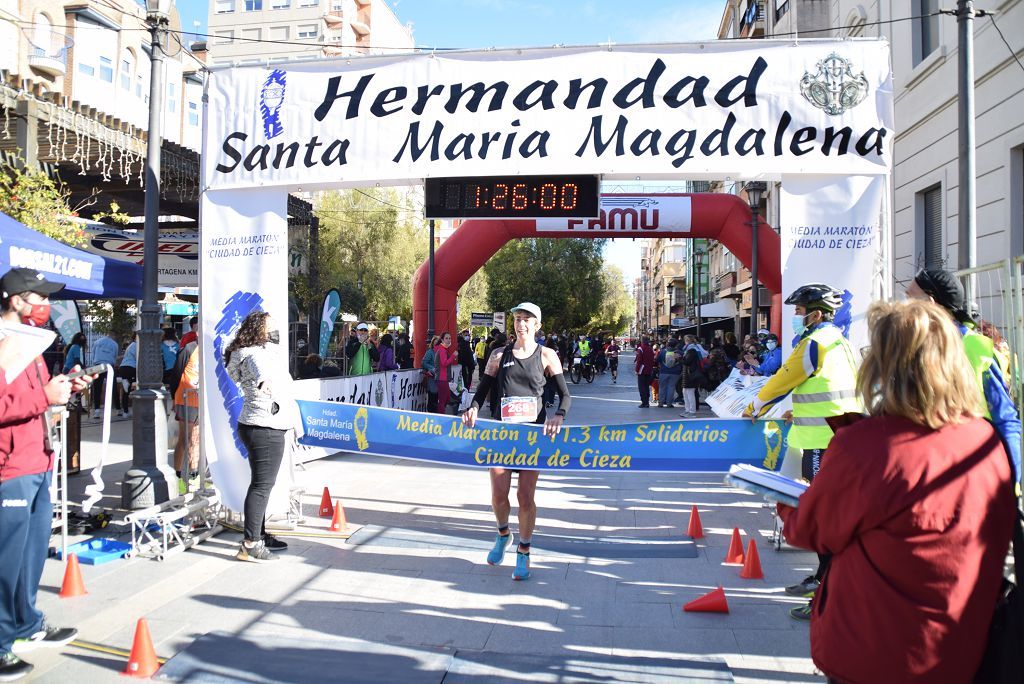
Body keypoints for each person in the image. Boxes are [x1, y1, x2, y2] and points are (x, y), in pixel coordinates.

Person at [777, 300, 1015, 683]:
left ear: (885, 367)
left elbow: (810, 529)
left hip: (873, 651)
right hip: (962, 650)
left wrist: (790, 500)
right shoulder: (986, 442)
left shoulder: (866, 446)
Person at [743, 283, 861, 620]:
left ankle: (828, 592)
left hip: (821, 441)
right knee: (823, 511)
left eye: (799, 311)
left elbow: (783, 379)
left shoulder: (814, 343)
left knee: (824, 516)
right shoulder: (842, 343)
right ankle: (822, 579)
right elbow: (831, 389)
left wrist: (753, 407)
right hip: (833, 436)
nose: (795, 317)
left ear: (816, 313)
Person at [0, 268, 94, 681]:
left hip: (37, 460)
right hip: (10, 467)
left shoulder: (31, 343)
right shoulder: (5, 342)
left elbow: (31, 398)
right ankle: (2, 643)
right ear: (16, 299)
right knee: (7, 559)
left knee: (32, 552)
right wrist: (44, 396)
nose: (46, 305)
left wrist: (63, 388)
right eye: (38, 297)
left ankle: (26, 622)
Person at [462, 302, 571, 581]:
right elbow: (482, 389)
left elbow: (565, 395)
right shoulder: (499, 354)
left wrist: (559, 415)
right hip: (502, 435)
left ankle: (524, 551)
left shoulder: (547, 355)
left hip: (532, 438)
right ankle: (502, 535)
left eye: (526, 319)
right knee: (498, 494)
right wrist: (473, 407)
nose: (520, 323)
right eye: (517, 319)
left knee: (525, 497)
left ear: (537, 325)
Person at [906, 267, 1022, 482]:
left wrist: (1012, 483)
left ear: (930, 304)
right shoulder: (907, 348)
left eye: (910, 297)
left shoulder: (976, 348)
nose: (903, 306)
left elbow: (1006, 419)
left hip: (972, 469)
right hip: (927, 470)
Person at [224, 310, 294, 562]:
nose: (276, 331)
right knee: (262, 486)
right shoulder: (255, 354)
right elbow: (260, 369)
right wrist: (265, 381)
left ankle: (259, 534)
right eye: (271, 326)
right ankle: (251, 544)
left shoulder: (257, 351)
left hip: (261, 424)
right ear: (258, 330)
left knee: (261, 484)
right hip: (264, 426)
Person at [172, 343, 200, 493]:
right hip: (185, 398)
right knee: (185, 439)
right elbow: (176, 374)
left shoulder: (211, 349)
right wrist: (174, 399)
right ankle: (176, 477)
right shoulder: (190, 348)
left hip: (200, 399)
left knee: (195, 439)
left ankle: (194, 477)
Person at [89, 329, 120, 419]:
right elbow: (115, 356)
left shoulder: (97, 342)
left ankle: (97, 411)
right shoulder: (115, 344)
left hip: (98, 365)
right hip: (109, 366)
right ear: (113, 335)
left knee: (97, 388)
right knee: (113, 388)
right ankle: (118, 409)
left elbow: (93, 354)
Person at [679, 335, 706, 417]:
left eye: (685, 340)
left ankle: (692, 411)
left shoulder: (692, 350)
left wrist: (679, 358)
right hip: (687, 374)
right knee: (685, 392)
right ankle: (687, 410)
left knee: (690, 392)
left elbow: (687, 361)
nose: (684, 342)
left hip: (691, 374)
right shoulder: (688, 349)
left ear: (688, 341)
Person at [434, 332, 458, 414]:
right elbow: (444, 363)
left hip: (443, 378)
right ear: (442, 340)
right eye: (446, 338)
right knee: (443, 400)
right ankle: (441, 417)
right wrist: (453, 356)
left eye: (450, 338)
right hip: (442, 378)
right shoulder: (442, 350)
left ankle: (442, 415)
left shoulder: (442, 349)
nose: (448, 340)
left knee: (446, 398)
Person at [656, 339, 682, 408]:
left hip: (663, 372)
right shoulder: (679, 352)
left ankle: (661, 403)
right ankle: (669, 403)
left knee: (662, 387)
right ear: (676, 345)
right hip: (675, 372)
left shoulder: (662, 352)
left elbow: (657, 360)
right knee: (671, 387)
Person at [116, 338, 137, 417]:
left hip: (123, 367)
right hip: (131, 367)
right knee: (134, 388)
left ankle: (125, 411)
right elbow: (138, 358)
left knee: (126, 390)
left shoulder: (130, 346)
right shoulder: (137, 346)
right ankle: (133, 410)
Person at [634, 335, 655, 408]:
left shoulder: (641, 349)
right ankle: (647, 402)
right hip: (649, 370)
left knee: (641, 387)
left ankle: (644, 402)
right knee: (646, 386)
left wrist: (637, 370)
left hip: (642, 370)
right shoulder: (650, 349)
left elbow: (639, 361)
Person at [421, 335, 440, 413]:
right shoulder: (430, 352)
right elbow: (424, 362)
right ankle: (431, 413)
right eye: (435, 343)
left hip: (440, 378)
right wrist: (432, 369)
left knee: (438, 397)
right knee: (432, 396)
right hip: (432, 378)